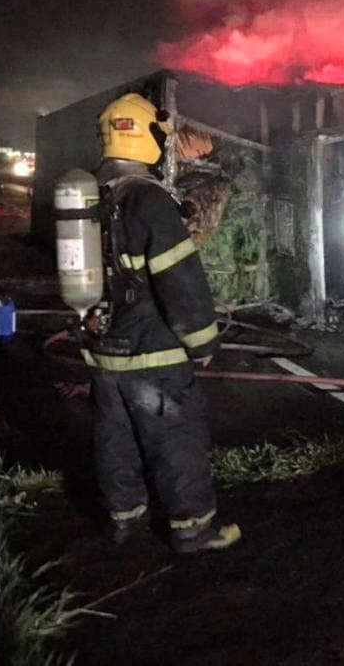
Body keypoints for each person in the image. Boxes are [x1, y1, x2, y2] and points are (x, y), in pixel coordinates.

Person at [81, 92, 240, 553]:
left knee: (115, 440)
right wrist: (202, 341)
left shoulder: (89, 193)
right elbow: (179, 279)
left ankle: (124, 521)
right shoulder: (148, 199)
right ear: (148, 138)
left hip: (102, 347)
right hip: (154, 352)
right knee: (176, 441)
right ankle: (193, 530)